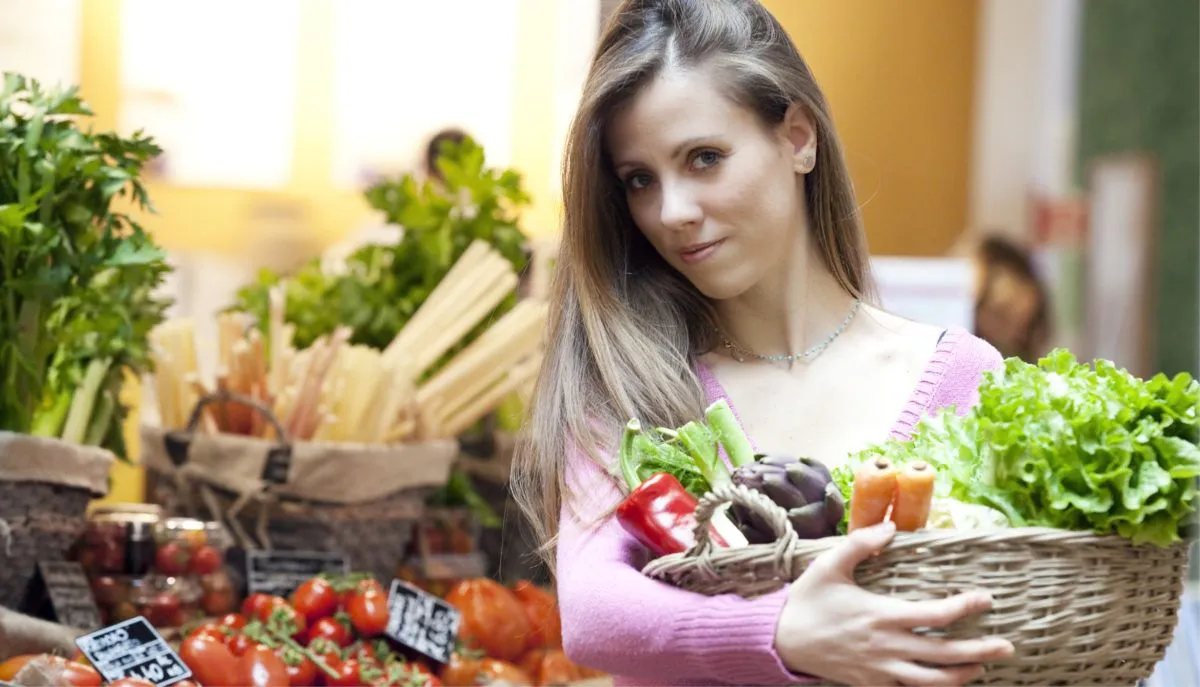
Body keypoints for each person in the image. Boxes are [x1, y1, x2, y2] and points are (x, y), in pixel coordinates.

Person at [510, 1, 1017, 685]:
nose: (671, 211)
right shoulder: (629, 386)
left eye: (705, 158)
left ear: (798, 138)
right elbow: (595, 611)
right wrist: (781, 630)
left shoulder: (961, 375)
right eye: (640, 180)